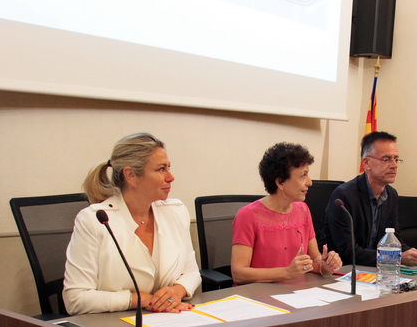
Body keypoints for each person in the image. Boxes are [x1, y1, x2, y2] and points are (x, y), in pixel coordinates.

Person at [63, 133, 201, 315]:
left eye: (169, 167)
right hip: (115, 326)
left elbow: (192, 272)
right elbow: (75, 299)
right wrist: (140, 299)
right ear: (131, 176)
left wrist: (177, 290)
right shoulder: (94, 220)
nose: (171, 177)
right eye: (161, 169)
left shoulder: (175, 211)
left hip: (170, 319)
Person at [320, 131, 417, 267]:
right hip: (343, 271)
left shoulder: (391, 194)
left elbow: (394, 240)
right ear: (367, 163)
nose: (394, 165)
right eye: (386, 159)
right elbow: (348, 252)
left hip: (374, 270)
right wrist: (396, 258)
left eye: (396, 159)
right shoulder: (344, 196)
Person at [231, 142, 343, 284]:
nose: (310, 182)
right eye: (303, 175)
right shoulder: (247, 215)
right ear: (280, 182)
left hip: (298, 296)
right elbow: (239, 273)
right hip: (259, 297)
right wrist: (286, 272)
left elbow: (314, 261)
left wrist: (326, 266)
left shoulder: (302, 210)